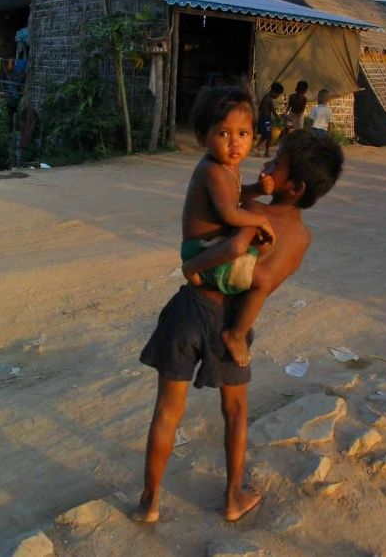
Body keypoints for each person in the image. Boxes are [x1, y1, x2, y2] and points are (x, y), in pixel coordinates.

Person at [131, 130, 344, 524]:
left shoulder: (255, 213)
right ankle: (233, 497)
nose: (266, 164)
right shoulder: (299, 237)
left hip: (191, 306)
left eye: (275, 163)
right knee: (236, 411)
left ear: (294, 187)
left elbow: (227, 241)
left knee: (166, 411)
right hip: (231, 323)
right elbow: (265, 282)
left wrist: (194, 267)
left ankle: (149, 502)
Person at [181, 85, 276, 367]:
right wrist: (260, 218)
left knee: (258, 248)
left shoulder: (226, 166)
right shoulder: (212, 170)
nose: (235, 143)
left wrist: (256, 189)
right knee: (263, 281)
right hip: (202, 250)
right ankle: (235, 334)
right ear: (202, 137)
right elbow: (230, 214)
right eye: (224, 133)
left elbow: (233, 197)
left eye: (243, 134)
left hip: (212, 246)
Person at [254, 81, 284, 158]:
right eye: (278, 94)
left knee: (265, 135)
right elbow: (273, 111)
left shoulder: (265, 97)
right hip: (265, 119)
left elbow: (260, 109)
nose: (277, 96)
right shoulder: (269, 100)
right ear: (274, 91)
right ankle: (266, 152)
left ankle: (257, 147)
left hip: (263, 118)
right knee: (269, 136)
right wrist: (278, 118)